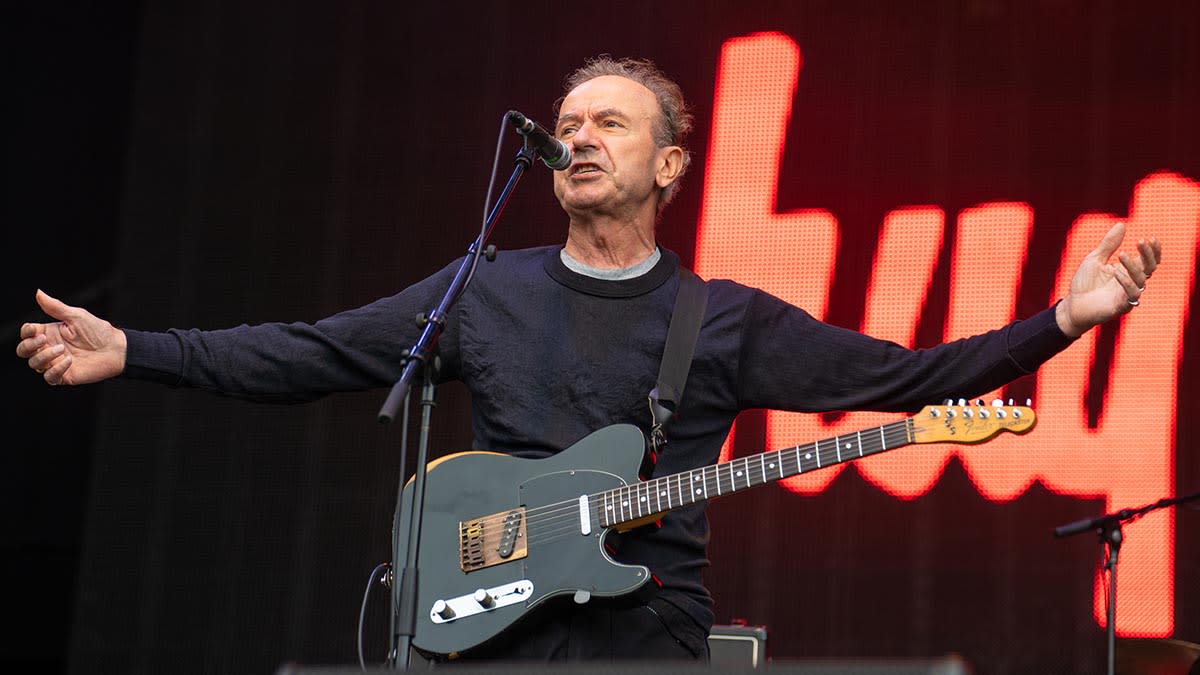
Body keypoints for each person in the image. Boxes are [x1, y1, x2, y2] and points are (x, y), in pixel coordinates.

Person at [17, 57, 1161, 663]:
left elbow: (906, 380)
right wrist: (138, 350)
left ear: (670, 166)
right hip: (485, 617)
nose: (580, 137)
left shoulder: (721, 320)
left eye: (611, 123)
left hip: (642, 636)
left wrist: (1061, 321)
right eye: (571, 121)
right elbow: (312, 353)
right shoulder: (484, 287)